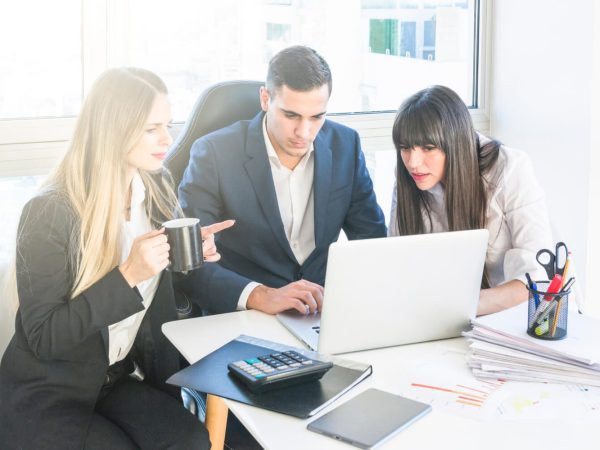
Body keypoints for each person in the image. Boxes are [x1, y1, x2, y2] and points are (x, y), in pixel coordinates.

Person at [0, 67, 232, 449]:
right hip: (51, 391)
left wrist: (185, 255)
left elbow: (157, 283)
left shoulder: (155, 186)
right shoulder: (49, 212)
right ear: (115, 129)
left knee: (191, 440)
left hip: (117, 377)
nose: (168, 139)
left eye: (167, 124)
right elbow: (44, 337)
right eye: (151, 128)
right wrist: (126, 275)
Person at [179, 45, 387, 316]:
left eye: (317, 117)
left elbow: (372, 241)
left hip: (321, 313)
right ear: (265, 99)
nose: (305, 131)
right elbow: (190, 263)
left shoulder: (345, 145)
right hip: (245, 316)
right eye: (291, 115)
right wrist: (259, 295)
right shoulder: (214, 154)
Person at [389, 85, 553, 316]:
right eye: (405, 148)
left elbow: (537, 280)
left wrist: (455, 306)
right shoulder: (408, 178)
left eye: (428, 148)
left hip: (518, 319)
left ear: (455, 143)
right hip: (446, 319)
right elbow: (398, 267)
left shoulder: (510, 169)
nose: (413, 162)